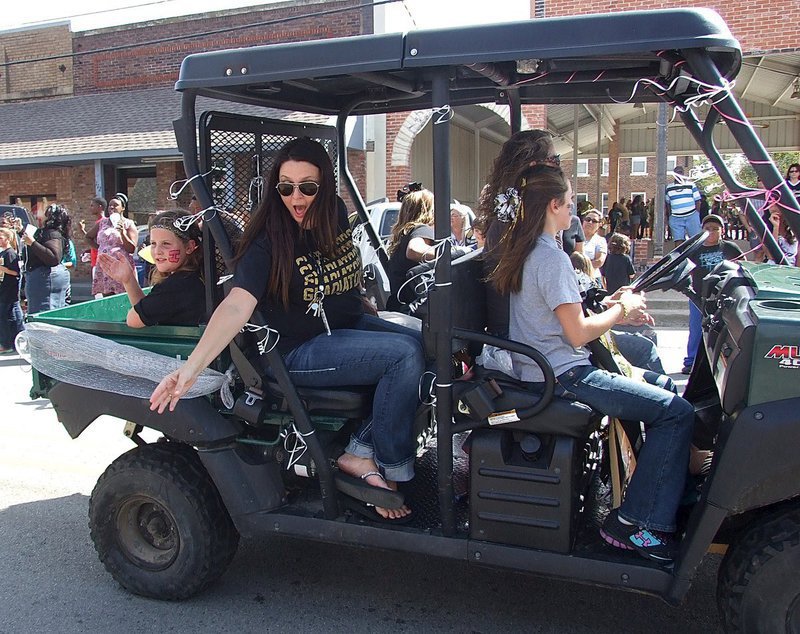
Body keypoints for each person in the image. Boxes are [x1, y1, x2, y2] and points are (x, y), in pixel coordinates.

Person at [149, 138, 424, 521]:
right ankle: (380, 465)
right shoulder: (269, 239)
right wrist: (189, 370)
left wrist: (369, 311)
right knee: (404, 356)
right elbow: (237, 304)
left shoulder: (336, 216)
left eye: (307, 187)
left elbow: (342, 282)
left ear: (324, 186)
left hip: (341, 327)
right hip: (296, 350)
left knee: (426, 344)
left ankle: (360, 446)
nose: (296, 197)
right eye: (286, 187)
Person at [488, 164, 693, 562]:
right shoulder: (551, 258)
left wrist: (617, 305)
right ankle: (633, 522)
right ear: (553, 206)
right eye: (570, 205)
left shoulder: (535, 250)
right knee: (676, 413)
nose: (574, 215)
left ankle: (656, 493)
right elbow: (578, 333)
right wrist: (623, 309)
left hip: (555, 364)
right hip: (564, 374)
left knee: (665, 389)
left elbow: (567, 319)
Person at [98, 210, 206, 327]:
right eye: (153, 243)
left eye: (166, 244)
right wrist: (128, 279)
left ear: (189, 247)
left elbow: (134, 320)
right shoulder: (193, 276)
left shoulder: (176, 285)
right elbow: (145, 314)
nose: (157, 251)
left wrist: (129, 280)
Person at [682, 214, 743, 375]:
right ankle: (691, 361)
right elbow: (684, 269)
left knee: (723, 330)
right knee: (696, 328)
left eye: (715, 229)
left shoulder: (729, 248)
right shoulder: (695, 249)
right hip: (699, 296)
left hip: (724, 297)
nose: (711, 232)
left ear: (722, 230)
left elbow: (742, 266)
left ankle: (719, 362)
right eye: (707, 229)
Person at [385, 188, 435, 312]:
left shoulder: (403, 234)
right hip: (412, 308)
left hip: (398, 305)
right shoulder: (422, 229)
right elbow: (413, 250)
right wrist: (445, 254)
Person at [86, 193, 139, 297]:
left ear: (123, 208)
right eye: (110, 205)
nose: (111, 207)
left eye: (115, 205)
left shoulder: (128, 223)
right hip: (105, 266)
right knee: (107, 297)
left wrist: (122, 233)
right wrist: (100, 249)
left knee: (124, 297)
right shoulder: (103, 223)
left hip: (121, 265)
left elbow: (132, 249)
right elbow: (88, 237)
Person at [22, 204, 72, 314]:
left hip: (45, 277)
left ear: (49, 217)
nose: (38, 214)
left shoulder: (51, 233)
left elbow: (53, 258)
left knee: (43, 316)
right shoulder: (50, 232)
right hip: (47, 276)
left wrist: (32, 243)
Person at [0, 228, 24, 353]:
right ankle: (12, 342)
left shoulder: (10, 254)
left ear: (8, 239)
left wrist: (2, 269)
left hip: (9, 290)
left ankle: (6, 343)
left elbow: (15, 272)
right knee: (9, 317)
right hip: (3, 289)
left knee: (5, 317)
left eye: (1, 238)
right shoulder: (3, 253)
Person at [665, 166, 702, 242]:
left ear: (683, 174)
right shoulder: (668, 187)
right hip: (676, 217)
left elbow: (697, 200)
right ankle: (679, 254)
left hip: (691, 216)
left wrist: (696, 213)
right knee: (678, 240)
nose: (679, 174)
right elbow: (668, 203)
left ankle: (696, 254)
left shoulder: (691, 185)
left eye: (680, 172)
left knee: (696, 239)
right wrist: (670, 215)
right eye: (677, 172)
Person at [79, 197, 106, 277]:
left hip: (100, 263)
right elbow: (91, 239)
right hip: (96, 261)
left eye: (92, 206)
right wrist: (82, 230)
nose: (90, 208)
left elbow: (93, 241)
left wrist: (99, 249)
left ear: (100, 207)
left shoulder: (103, 222)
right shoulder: (98, 222)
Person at [581, 208, 607, 278]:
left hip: (591, 278)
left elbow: (599, 261)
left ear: (599, 224)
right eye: (588, 219)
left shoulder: (600, 240)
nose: (590, 222)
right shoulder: (573, 238)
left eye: (594, 221)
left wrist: (580, 267)